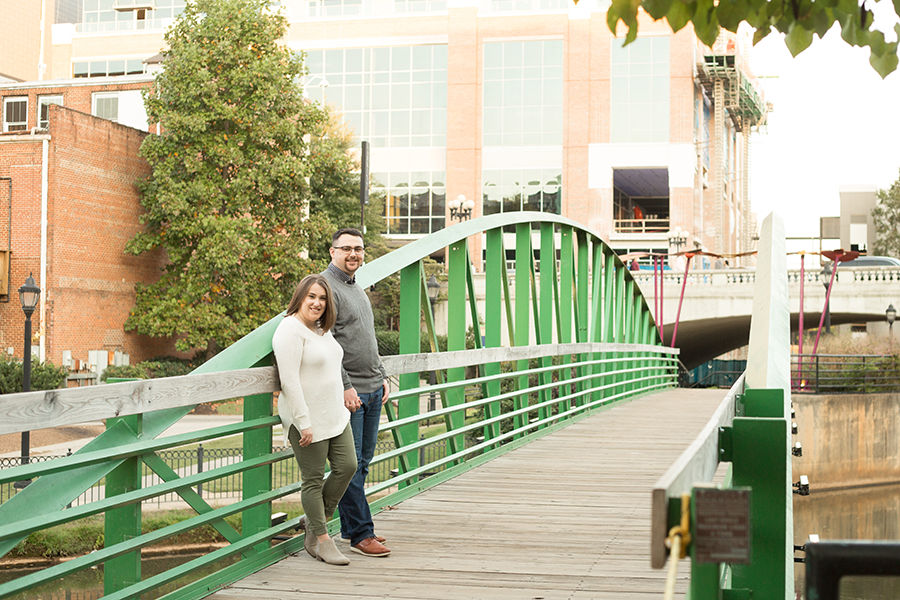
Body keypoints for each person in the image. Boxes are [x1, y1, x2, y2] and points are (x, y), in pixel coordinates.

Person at [272, 274, 357, 566]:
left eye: (322, 298)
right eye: (312, 297)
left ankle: (315, 520)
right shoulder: (289, 330)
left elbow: (334, 366)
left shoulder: (322, 329)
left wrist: (346, 390)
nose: (317, 303)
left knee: (348, 466)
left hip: (334, 413)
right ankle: (321, 539)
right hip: (307, 418)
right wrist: (303, 422)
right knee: (311, 479)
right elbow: (290, 382)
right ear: (300, 297)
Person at [322, 228, 393, 558]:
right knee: (348, 466)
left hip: (373, 387)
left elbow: (366, 338)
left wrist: (382, 376)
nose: (354, 254)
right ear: (332, 251)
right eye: (347, 248)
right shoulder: (324, 287)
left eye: (359, 249)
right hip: (349, 393)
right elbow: (326, 341)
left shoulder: (356, 287)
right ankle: (362, 533)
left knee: (362, 463)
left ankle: (350, 528)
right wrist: (346, 386)